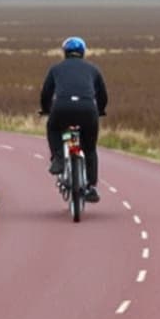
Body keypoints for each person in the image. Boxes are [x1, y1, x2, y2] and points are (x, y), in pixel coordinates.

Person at [38, 36, 108, 200]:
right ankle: (90, 186)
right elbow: (103, 94)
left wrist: (45, 109)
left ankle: (58, 159)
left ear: (65, 53)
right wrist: (100, 110)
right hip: (87, 109)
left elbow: (46, 93)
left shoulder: (56, 69)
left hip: (62, 108)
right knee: (89, 149)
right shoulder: (93, 69)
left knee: (53, 128)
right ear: (83, 53)